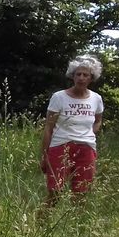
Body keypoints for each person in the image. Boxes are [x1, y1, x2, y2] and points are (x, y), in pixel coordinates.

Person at [40, 54, 104, 204]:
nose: (81, 78)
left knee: (81, 193)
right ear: (72, 76)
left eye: (85, 75)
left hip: (86, 148)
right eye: (78, 74)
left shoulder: (96, 98)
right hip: (60, 147)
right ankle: (40, 225)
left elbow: (98, 120)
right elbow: (48, 128)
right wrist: (44, 156)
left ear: (91, 78)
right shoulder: (59, 97)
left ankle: (77, 226)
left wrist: (89, 133)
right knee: (55, 192)